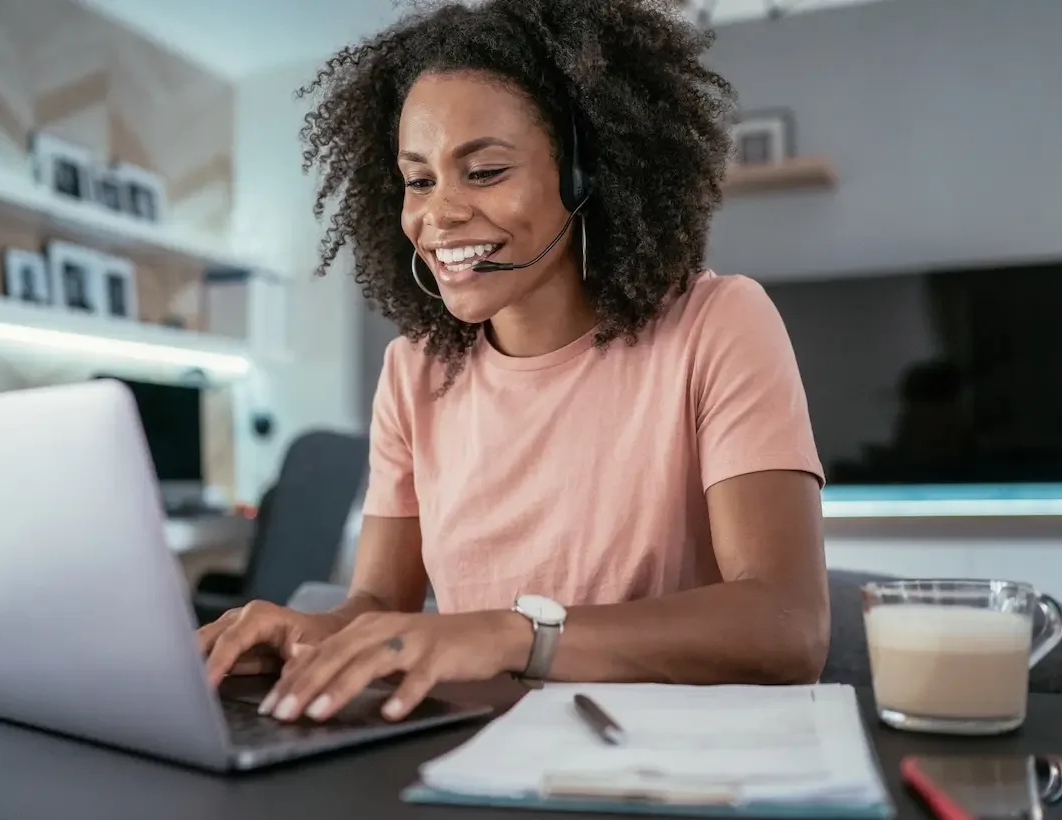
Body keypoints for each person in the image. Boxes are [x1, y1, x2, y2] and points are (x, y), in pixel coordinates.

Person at [199, 0, 830, 724]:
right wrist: (305, 633)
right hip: (474, 751)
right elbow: (380, 604)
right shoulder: (413, 373)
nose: (438, 215)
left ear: (586, 172)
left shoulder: (716, 324)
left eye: (485, 171)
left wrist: (511, 633)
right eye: (419, 179)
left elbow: (788, 627)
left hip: (671, 759)